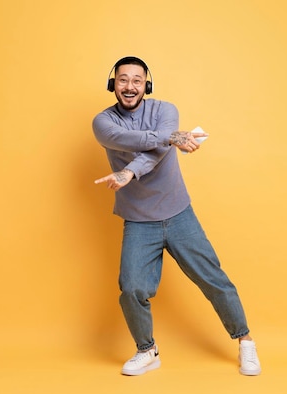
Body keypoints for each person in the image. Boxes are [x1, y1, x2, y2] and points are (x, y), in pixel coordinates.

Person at [92, 56, 261, 376]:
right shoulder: (103, 122)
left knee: (214, 280)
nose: (129, 86)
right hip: (139, 220)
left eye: (137, 80)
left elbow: (155, 152)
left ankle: (245, 342)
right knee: (131, 288)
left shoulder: (165, 110)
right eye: (123, 80)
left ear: (147, 85)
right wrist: (169, 138)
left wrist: (130, 171)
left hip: (178, 213)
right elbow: (129, 140)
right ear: (113, 84)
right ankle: (147, 350)